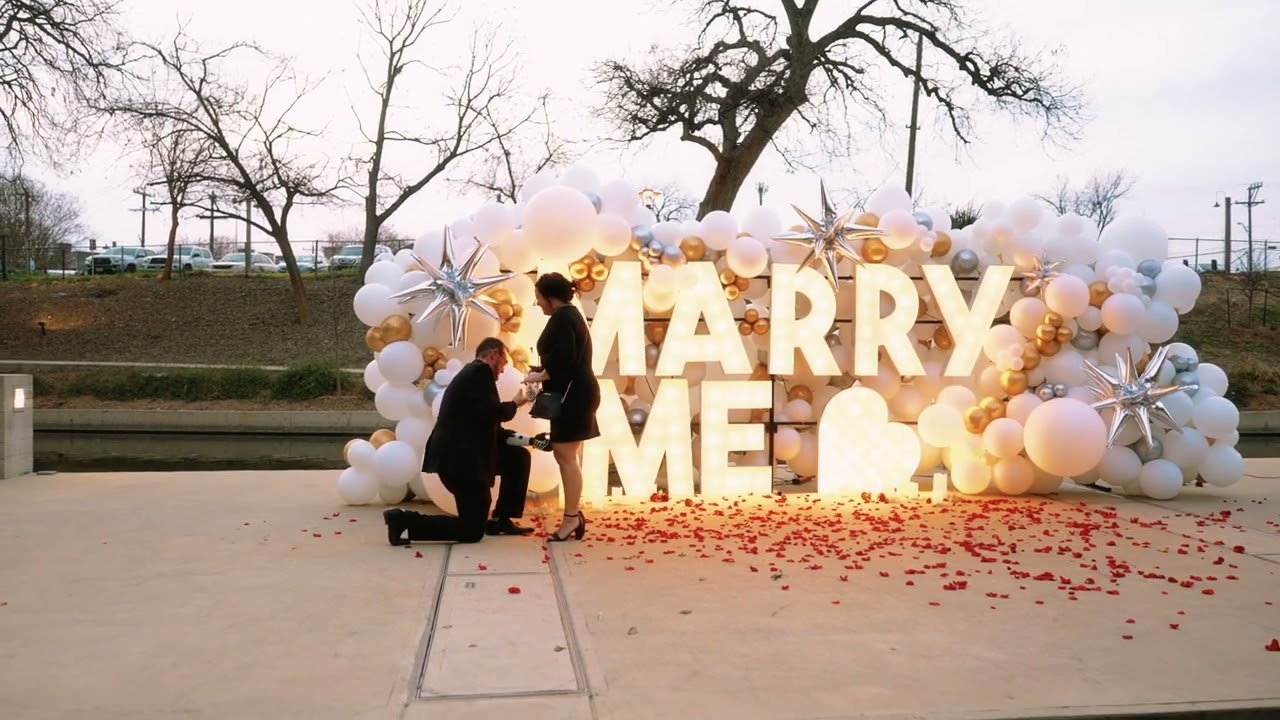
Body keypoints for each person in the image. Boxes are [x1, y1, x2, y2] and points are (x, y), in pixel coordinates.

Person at [383, 337, 550, 546]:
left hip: (466, 458)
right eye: (504, 363)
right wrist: (516, 403)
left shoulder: (477, 375)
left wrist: (532, 441)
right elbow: (490, 414)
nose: (503, 370)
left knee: (517, 457)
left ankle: (500, 519)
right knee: (471, 530)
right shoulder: (479, 373)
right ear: (493, 355)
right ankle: (404, 520)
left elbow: (493, 430)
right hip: (460, 465)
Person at [524, 272, 600, 542]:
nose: (538, 304)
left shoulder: (563, 318)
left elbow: (565, 359)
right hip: (577, 393)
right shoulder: (570, 315)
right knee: (566, 456)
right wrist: (543, 372)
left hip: (574, 396)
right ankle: (572, 516)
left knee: (565, 456)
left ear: (549, 297)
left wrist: (540, 376)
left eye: (539, 298)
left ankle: (570, 518)